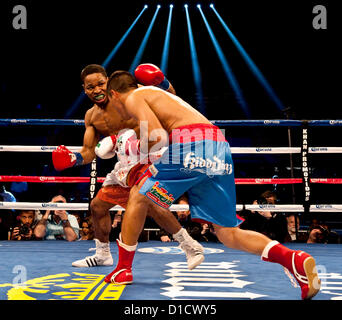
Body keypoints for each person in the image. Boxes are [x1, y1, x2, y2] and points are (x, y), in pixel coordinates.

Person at [102, 70, 321, 300]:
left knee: (138, 194)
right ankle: (292, 259)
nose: (115, 109)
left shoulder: (134, 96)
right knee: (228, 233)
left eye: (111, 101)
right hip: (218, 144)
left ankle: (123, 269)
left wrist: (134, 152)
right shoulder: (158, 94)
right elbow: (170, 111)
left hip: (192, 143)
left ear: (114, 94)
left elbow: (157, 137)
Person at [52, 64, 204, 269]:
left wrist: (162, 82)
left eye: (100, 84)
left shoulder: (128, 94)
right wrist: (74, 159)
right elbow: (89, 151)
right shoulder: (92, 117)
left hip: (150, 154)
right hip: (125, 162)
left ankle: (190, 246)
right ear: (84, 89)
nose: (97, 90)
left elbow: (171, 96)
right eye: (90, 87)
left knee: (152, 204)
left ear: (108, 82)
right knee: (98, 206)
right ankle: (102, 255)